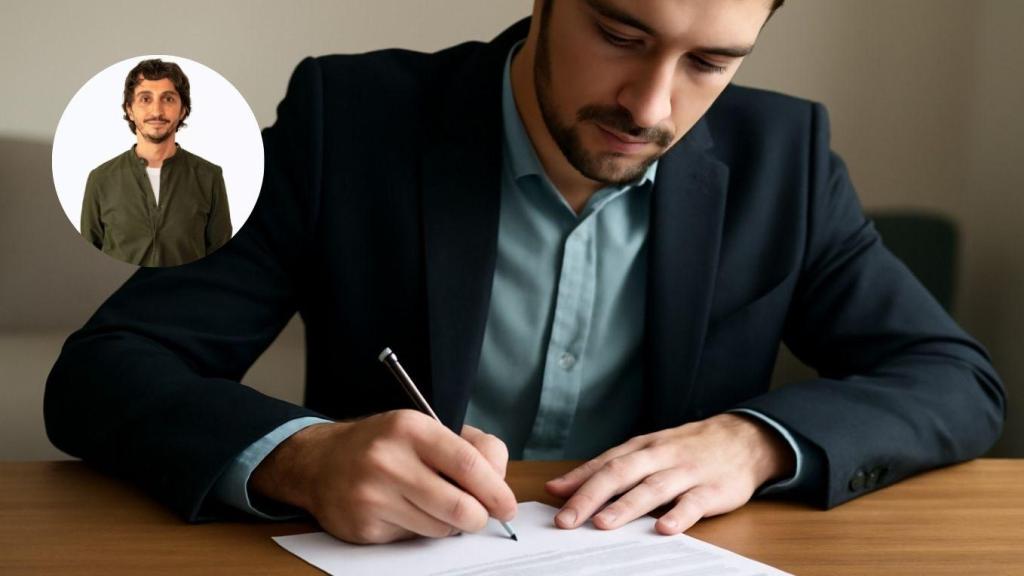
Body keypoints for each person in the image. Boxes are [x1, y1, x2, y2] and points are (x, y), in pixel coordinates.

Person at [46, 0, 1004, 546]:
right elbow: (109, 367)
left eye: (710, 61)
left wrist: (753, 443)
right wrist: (302, 457)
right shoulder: (352, 119)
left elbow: (954, 378)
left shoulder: (783, 157)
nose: (652, 105)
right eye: (622, 35)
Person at [80, 58, 232, 267]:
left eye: (168, 99)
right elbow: (86, 262)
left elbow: (222, 261)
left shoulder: (209, 177)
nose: (157, 112)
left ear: (183, 110)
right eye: (145, 99)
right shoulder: (101, 179)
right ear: (130, 110)